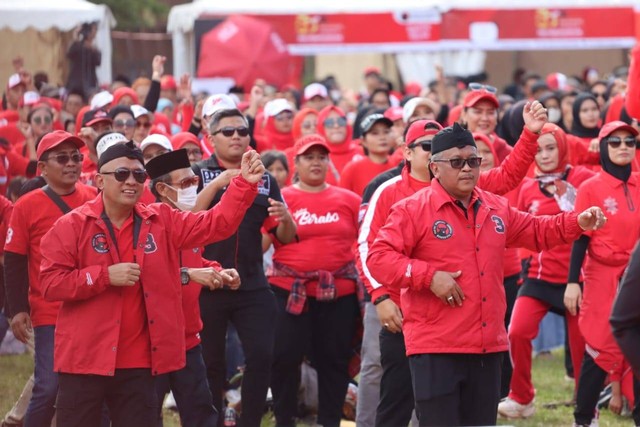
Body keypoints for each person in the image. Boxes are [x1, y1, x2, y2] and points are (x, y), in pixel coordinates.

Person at [366, 122, 606, 426]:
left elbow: (536, 230)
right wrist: (429, 277)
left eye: (473, 161)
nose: (467, 168)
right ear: (435, 168)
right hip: (436, 347)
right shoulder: (411, 209)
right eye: (456, 162)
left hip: (486, 346)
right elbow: (379, 257)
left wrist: (577, 222)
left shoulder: (495, 207)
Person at [38, 141, 262, 427]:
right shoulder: (71, 225)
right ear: (99, 180)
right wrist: (105, 276)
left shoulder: (162, 220)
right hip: (85, 359)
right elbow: (50, 283)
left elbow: (216, 223)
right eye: (121, 174)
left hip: (140, 363)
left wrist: (244, 184)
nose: (131, 181)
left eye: (139, 175)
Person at [191, 104, 297, 427]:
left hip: (251, 282)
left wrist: (287, 219)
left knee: (263, 355)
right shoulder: (197, 173)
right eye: (228, 131)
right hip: (207, 281)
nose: (237, 137)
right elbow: (185, 219)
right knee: (210, 362)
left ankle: (250, 420)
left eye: (242, 131)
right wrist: (220, 182)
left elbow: (285, 238)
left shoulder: (263, 177)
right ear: (211, 138)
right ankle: (212, 419)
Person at [497, 123, 594, 419]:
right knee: (517, 331)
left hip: (576, 280)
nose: (545, 155)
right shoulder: (527, 187)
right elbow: (517, 228)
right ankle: (522, 398)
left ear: (563, 147)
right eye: (538, 150)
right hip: (539, 278)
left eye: (551, 148)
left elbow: (592, 229)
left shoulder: (584, 179)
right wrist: (526, 262)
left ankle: (586, 407)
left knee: (580, 350)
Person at [4, 130, 97, 427]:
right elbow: (15, 262)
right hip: (49, 311)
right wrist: (17, 308)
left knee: (98, 388)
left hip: (93, 307)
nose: (71, 164)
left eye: (76, 157)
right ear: (42, 168)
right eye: (62, 158)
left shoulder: (96, 197)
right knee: (48, 386)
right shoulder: (27, 206)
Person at [267, 133, 361, 427]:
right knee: (284, 359)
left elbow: (364, 242)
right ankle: (285, 419)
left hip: (339, 294)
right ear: (296, 163)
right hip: (289, 292)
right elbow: (266, 242)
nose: (316, 163)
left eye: (322, 157)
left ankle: (330, 421)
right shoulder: (281, 199)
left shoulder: (349, 200)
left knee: (334, 361)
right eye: (309, 157)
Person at [146, 149, 241, 427]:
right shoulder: (148, 222)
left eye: (194, 182)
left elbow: (194, 259)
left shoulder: (190, 221)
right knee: (146, 416)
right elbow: (143, 275)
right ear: (162, 189)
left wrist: (217, 271)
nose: (193, 188)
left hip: (188, 339)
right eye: (185, 184)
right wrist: (188, 274)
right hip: (152, 342)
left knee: (201, 414)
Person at [567, 121, 640, 427]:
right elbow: (580, 237)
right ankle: (583, 419)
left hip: (636, 275)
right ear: (604, 147)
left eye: (629, 142)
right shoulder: (590, 187)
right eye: (615, 142)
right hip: (602, 275)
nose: (623, 147)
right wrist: (572, 282)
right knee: (598, 346)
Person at [339, 113, 393, 196]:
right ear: (363, 141)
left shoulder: (399, 165)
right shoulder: (352, 169)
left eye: (386, 132)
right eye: (375, 133)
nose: (382, 137)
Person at [66, 22, 101, 97]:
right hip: (76, 82)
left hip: (90, 82)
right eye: (93, 29)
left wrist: (91, 48)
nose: (94, 33)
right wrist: (76, 38)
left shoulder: (94, 49)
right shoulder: (77, 46)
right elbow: (69, 54)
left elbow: (98, 62)